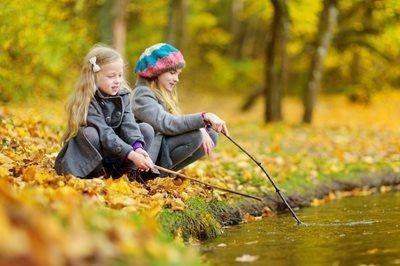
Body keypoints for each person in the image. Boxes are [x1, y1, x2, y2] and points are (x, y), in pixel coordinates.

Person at [55, 44, 156, 180]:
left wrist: (137, 148)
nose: (117, 81)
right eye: (111, 76)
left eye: (120, 75)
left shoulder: (123, 95)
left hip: (116, 153)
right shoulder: (88, 100)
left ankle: (127, 174)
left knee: (146, 129)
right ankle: (96, 173)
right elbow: (105, 133)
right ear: (94, 77)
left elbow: (129, 124)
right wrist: (131, 154)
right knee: (89, 133)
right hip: (96, 153)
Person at [131, 43, 229, 176]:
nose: (176, 79)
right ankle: (148, 176)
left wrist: (201, 126)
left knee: (211, 135)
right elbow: (166, 123)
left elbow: (175, 123)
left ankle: (162, 174)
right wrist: (203, 117)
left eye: (178, 74)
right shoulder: (142, 94)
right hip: (145, 156)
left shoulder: (161, 93)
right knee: (196, 135)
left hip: (160, 147)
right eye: (172, 73)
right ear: (156, 72)